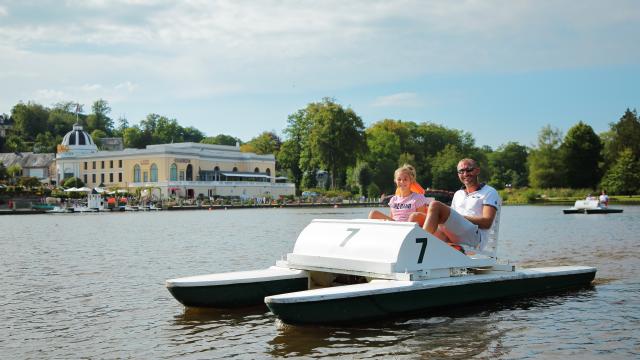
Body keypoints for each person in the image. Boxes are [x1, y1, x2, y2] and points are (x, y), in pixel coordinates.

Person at [421, 158, 500, 251]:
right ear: (458, 174)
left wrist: (459, 217)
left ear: (477, 171)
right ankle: (418, 250)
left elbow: (487, 223)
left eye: (469, 170)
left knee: (435, 206)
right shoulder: (458, 193)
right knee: (416, 216)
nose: (465, 174)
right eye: (461, 171)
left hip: (475, 238)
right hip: (455, 235)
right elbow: (451, 219)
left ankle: (420, 248)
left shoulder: (489, 191)